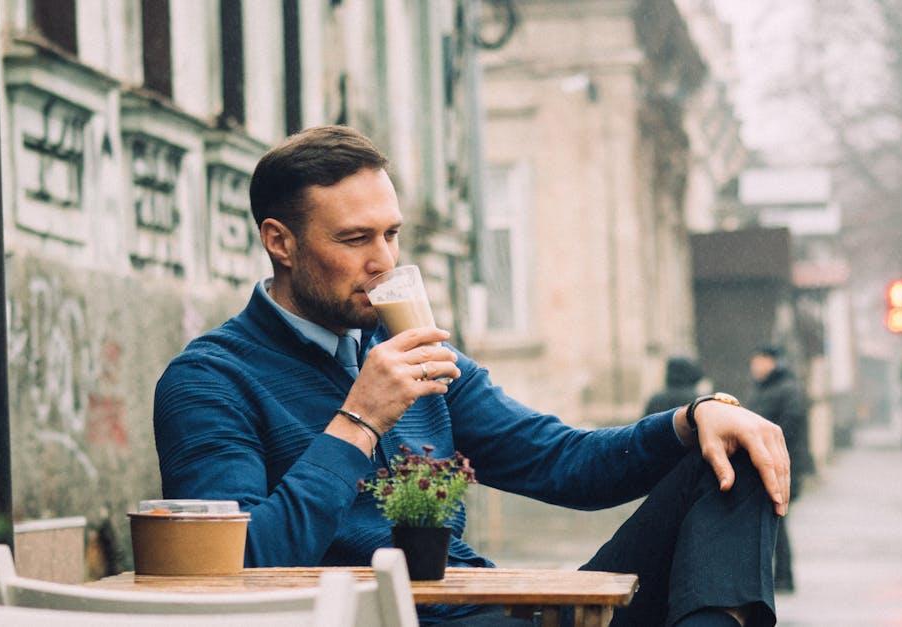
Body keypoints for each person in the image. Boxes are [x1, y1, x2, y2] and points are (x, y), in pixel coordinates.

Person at [154, 126, 790, 627]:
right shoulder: (210, 381)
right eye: (354, 240)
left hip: (499, 615)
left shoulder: (411, 350)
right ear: (281, 242)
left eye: (392, 234)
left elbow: (564, 463)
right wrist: (359, 420)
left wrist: (691, 418)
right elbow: (233, 572)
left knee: (731, 451)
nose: (383, 262)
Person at [747, 346, 813, 594]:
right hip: (767, 464)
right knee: (773, 521)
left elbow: (789, 428)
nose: (755, 366)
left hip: (782, 466)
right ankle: (780, 577)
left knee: (776, 520)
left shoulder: (786, 390)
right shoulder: (764, 388)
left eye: (758, 360)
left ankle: (783, 577)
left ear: (770, 361)